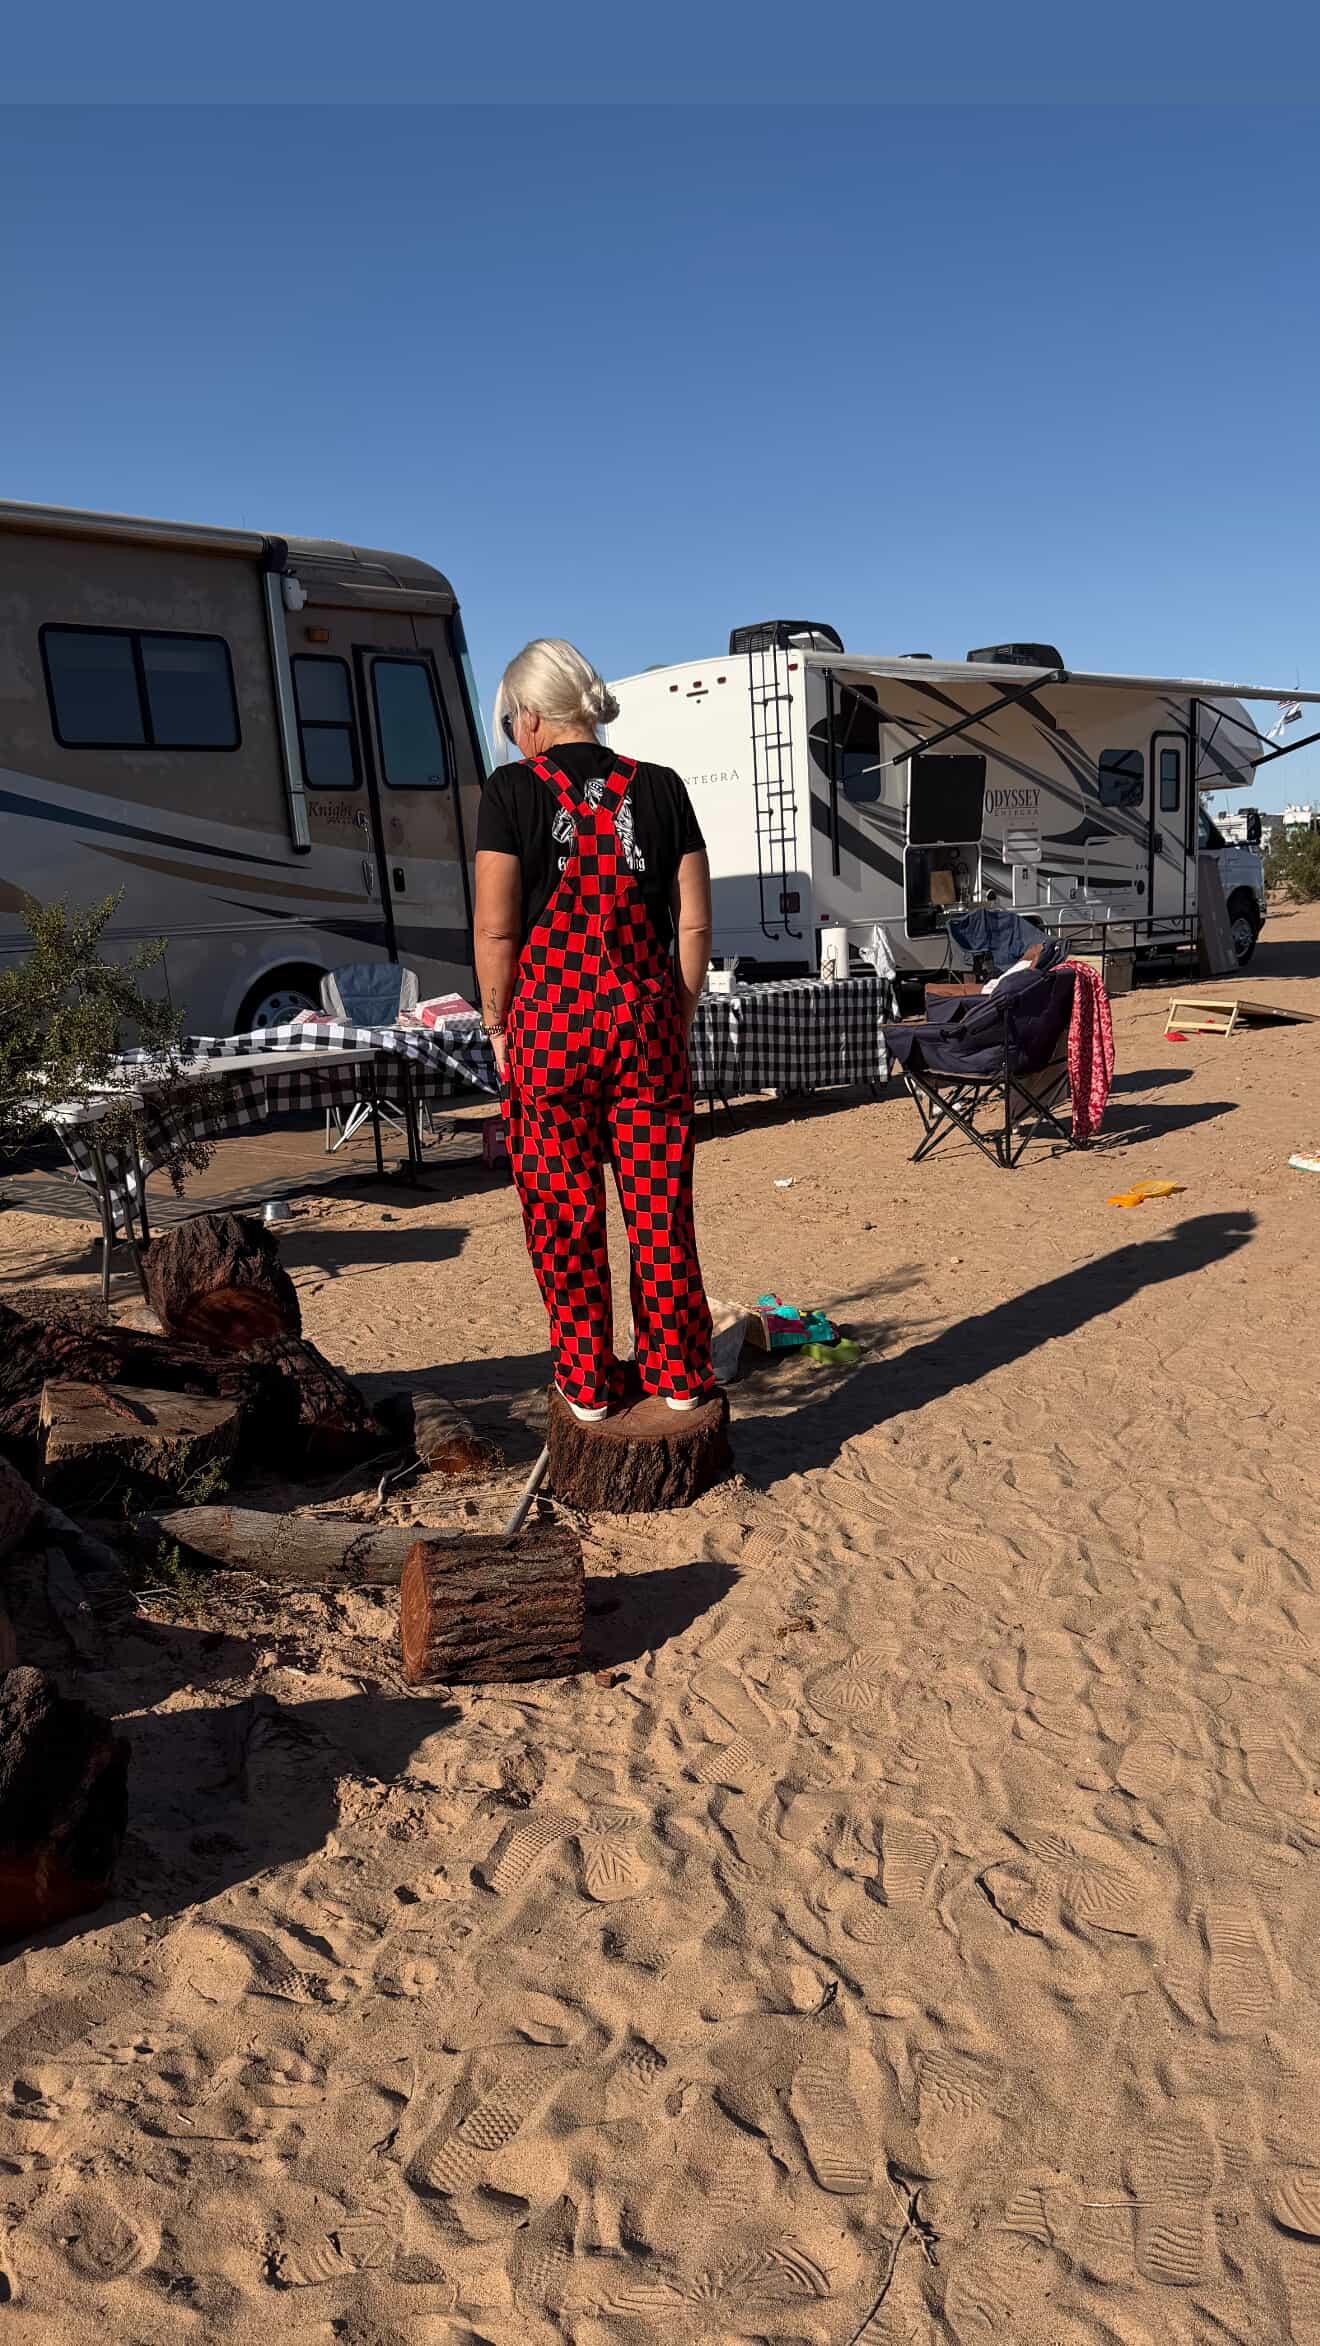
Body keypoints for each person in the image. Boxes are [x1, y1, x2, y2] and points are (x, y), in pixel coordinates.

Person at [474, 638, 715, 1423]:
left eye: (512, 719)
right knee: (659, 1206)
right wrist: (675, 1011)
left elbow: (496, 933)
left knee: (560, 1208)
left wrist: (498, 1022)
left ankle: (586, 1379)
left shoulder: (510, 791)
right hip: (646, 1024)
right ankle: (678, 1373)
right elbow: (696, 925)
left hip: (550, 1030)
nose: (513, 732)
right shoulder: (664, 788)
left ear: (535, 716)